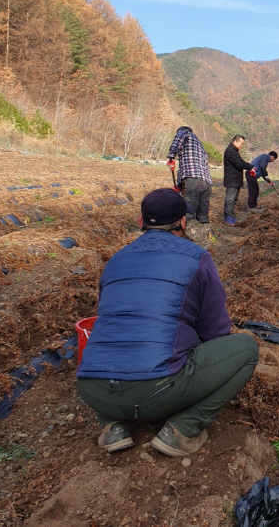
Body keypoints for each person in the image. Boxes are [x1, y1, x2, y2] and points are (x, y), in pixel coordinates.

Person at [77, 188, 259, 457]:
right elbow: (216, 331)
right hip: (157, 390)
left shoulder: (117, 259)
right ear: (183, 222)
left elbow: (107, 315)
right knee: (246, 349)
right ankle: (183, 430)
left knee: (112, 343)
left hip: (92, 388)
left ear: (141, 222)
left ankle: (110, 425)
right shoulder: (196, 257)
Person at [167, 126, 213, 242]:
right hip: (206, 183)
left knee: (189, 214)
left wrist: (171, 156)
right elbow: (185, 167)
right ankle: (204, 242)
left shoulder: (185, 133)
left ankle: (190, 243)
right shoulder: (200, 146)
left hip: (193, 180)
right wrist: (180, 186)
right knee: (203, 217)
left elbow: (178, 138)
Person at [222, 135, 255, 226]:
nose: (242, 145)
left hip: (235, 179)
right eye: (241, 143)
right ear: (235, 141)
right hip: (231, 179)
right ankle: (227, 216)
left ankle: (231, 215)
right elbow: (239, 163)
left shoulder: (234, 151)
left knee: (234, 199)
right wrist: (250, 167)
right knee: (230, 199)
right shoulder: (230, 151)